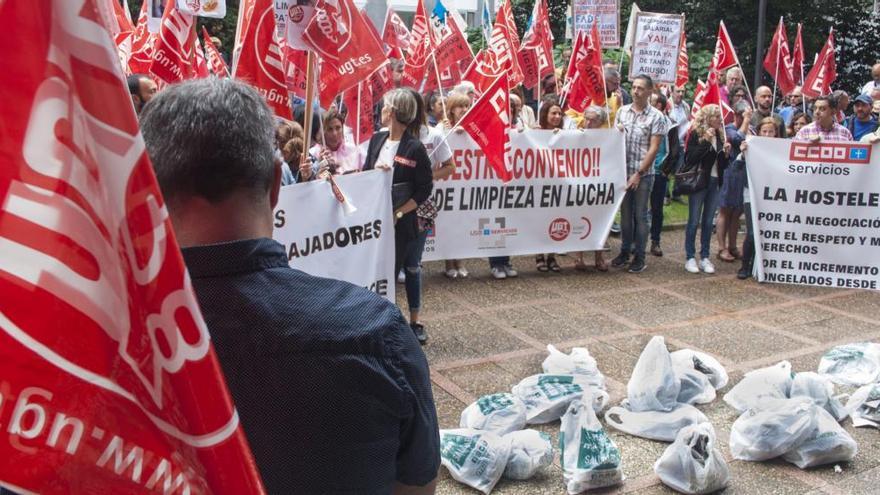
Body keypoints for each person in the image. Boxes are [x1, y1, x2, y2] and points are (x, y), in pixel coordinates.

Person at [139, 78, 440, 494]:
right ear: (276, 187)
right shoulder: (376, 334)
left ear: (148, 191)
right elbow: (417, 488)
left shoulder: (89, 352)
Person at [362, 89, 434, 344]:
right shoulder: (376, 141)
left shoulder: (415, 148)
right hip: (374, 225)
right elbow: (364, 175)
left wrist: (400, 212)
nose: (380, 110)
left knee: (392, 276)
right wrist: (376, 174)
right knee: (375, 275)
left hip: (400, 226)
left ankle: (393, 329)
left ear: (392, 112)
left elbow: (425, 188)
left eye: (384, 107)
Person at [611, 74, 668, 274]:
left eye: (640, 88)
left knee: (640, 215)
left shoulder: (657, 117)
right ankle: (625, 251)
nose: (636, 91)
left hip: (643, 174)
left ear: (649, 91)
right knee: (625, 215)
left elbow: (654, 148)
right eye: (634, 87)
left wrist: (639, 173)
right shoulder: (622, 112)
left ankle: (640, 256)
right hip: (622, 171)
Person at [683, 104, 731, 274]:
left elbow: (722, 165)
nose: (720, 120)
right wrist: (704, 141)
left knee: (708, 220)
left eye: (720, 116)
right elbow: (690, 158)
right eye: (716, 116)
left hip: (715, 181)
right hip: (699, 182)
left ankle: (704, 256)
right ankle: (690, 256)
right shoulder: (696, 133)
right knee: (694, 220)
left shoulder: (720, 135)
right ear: (707, 118)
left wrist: (726, 154)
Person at [737, 117, 781, 279]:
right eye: (764, 131)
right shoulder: (751, 146)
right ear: (759, 132)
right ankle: (745, 265)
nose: (767, 134)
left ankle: (762, 264)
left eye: (771, 131)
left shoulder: (781, 148)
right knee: (752, 231)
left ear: (776, 133)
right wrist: (743, 154)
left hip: (774, 196)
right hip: (752, 194)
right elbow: (735, 169)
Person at [572, 106, 610, 272]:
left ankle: (599, 256)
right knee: (579, 218)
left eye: (593, 119)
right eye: (586, 118)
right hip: (580, 185)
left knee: (601, 220)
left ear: (601, 122)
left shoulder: (608, 137)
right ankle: (579, 256)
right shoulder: (576, 134)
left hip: (600, 185)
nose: (588, 122)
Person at [716, 100, 752, 262]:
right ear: (737, 114)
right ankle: (721, 247)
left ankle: (732, 246)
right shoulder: (728, 129)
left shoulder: (749, 128)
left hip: (743, 174)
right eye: (745, 115)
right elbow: (737, 139)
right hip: (730, 174)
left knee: (737, 212)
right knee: (725, 210)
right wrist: (745, 121)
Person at [441, 92, 472, 279]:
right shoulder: (442, 127)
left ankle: (460, 261)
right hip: (448, 184)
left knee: (462, 221)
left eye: (467, 106)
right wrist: (449, 132)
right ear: (451, 109)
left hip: (466, 183)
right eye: (461, 106)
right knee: (448, 222)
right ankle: (448, 262)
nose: (464, 110)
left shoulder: (472, 127)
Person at [535, 98, 566, 273]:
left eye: (559, 113)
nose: (556, 116)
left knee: (555, 220)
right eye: (553, 113)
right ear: (545, 114)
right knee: (541, 219)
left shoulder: (564, 133)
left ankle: (552, 256)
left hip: (557, 186)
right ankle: (539, 255)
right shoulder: (536, 131)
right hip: (539, 185)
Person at [648, 93, 679, 258]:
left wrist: (666, 171)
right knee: (636, 209)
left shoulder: (671, 125)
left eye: (651, 101)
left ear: (659, 105)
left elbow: (674, 151)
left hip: (660, 171)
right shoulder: (642, 119)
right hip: (643, 170)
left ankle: (655, 241)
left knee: (657, 208)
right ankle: (633, 242)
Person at [310, 108, 363, 175]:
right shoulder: (313, 154)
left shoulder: (354, 150)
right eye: (329, 129)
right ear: (323, 132)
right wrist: (319, 165)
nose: (334, 133)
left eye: (338, 128)